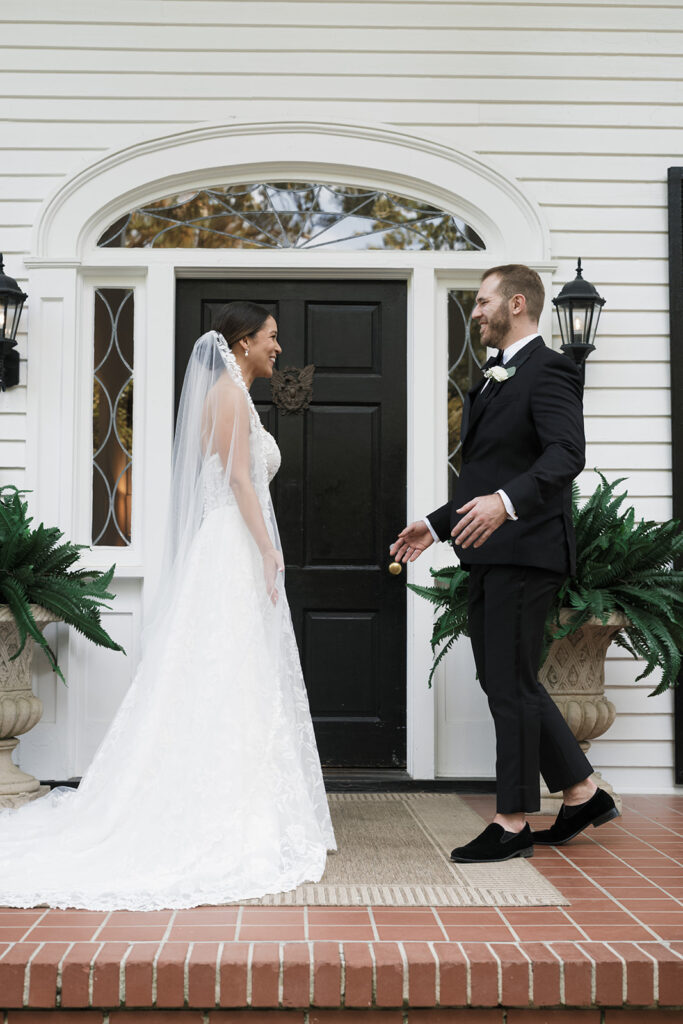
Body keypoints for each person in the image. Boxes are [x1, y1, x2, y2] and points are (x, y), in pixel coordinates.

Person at [0, 302, 335, 909]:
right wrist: (268, 549)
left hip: (228, 546)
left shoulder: (232, 395)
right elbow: (238, 479)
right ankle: (224, 814)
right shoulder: (228, 397)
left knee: (233, 676)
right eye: (271, 337)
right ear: (243, 342)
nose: (278, 348)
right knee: (231, 672)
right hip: (232, 547)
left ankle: (240, 800)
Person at [390, 265, 619, 864]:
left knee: (510, 684)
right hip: (493, 553)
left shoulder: (551, 369)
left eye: (483, 301)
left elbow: (566, 454)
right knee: (503, 679)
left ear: (517, 303)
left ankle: (512, 821)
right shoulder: (494, 378)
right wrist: (437, 524)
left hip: (527, 550)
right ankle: (582, 792)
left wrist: (507, 503)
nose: (475, 312)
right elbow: (489, 475)